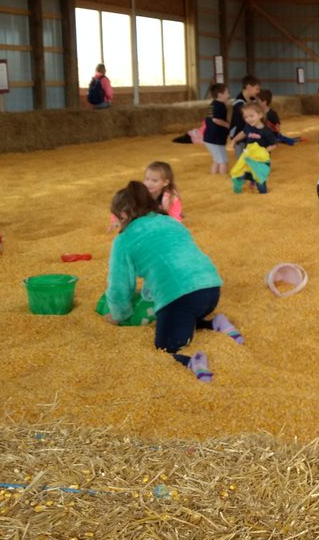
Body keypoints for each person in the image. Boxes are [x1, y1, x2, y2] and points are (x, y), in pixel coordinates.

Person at [103, 181, 242, 383]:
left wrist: (119, 314)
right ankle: (215, 323)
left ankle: (191, 362)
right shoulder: (169, 221)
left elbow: (119, 286)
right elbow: (175, 258)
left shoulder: (124, 240)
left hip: (182, 298)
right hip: (211, 289)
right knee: (183, 315)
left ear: (123, 214)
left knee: (165, 347)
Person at [230, 101, 276, 193]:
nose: (248, 119)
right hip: (249, 157)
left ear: (260, 115)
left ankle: (263, 192)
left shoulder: (266, 131)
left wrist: (265, 150)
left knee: (260, 179)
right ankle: (242, 180)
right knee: (246, 171)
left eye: (251, 116)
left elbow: (273, 144)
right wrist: (234, 140)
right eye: (246, 117)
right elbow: (243, 133)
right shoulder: (248, 127)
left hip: (261, 160)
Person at [202, 83, 230, 174]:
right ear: (220, 94)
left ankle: (214, 178)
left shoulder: (212, 104)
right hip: (215, 139)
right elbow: (216, 120)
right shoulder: (220, 105)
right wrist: (228, 125)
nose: (229, 95)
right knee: (223, 161)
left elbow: (209, 119)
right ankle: (222, 179)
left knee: (217, 160)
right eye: (227, 92)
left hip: (209, 138)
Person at [229, 75, 261, 139]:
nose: (258, 91)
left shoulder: (253, 100)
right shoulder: (239, 103)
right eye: (257, 89)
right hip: (238, 134)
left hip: (248, 133)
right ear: (249, 87)